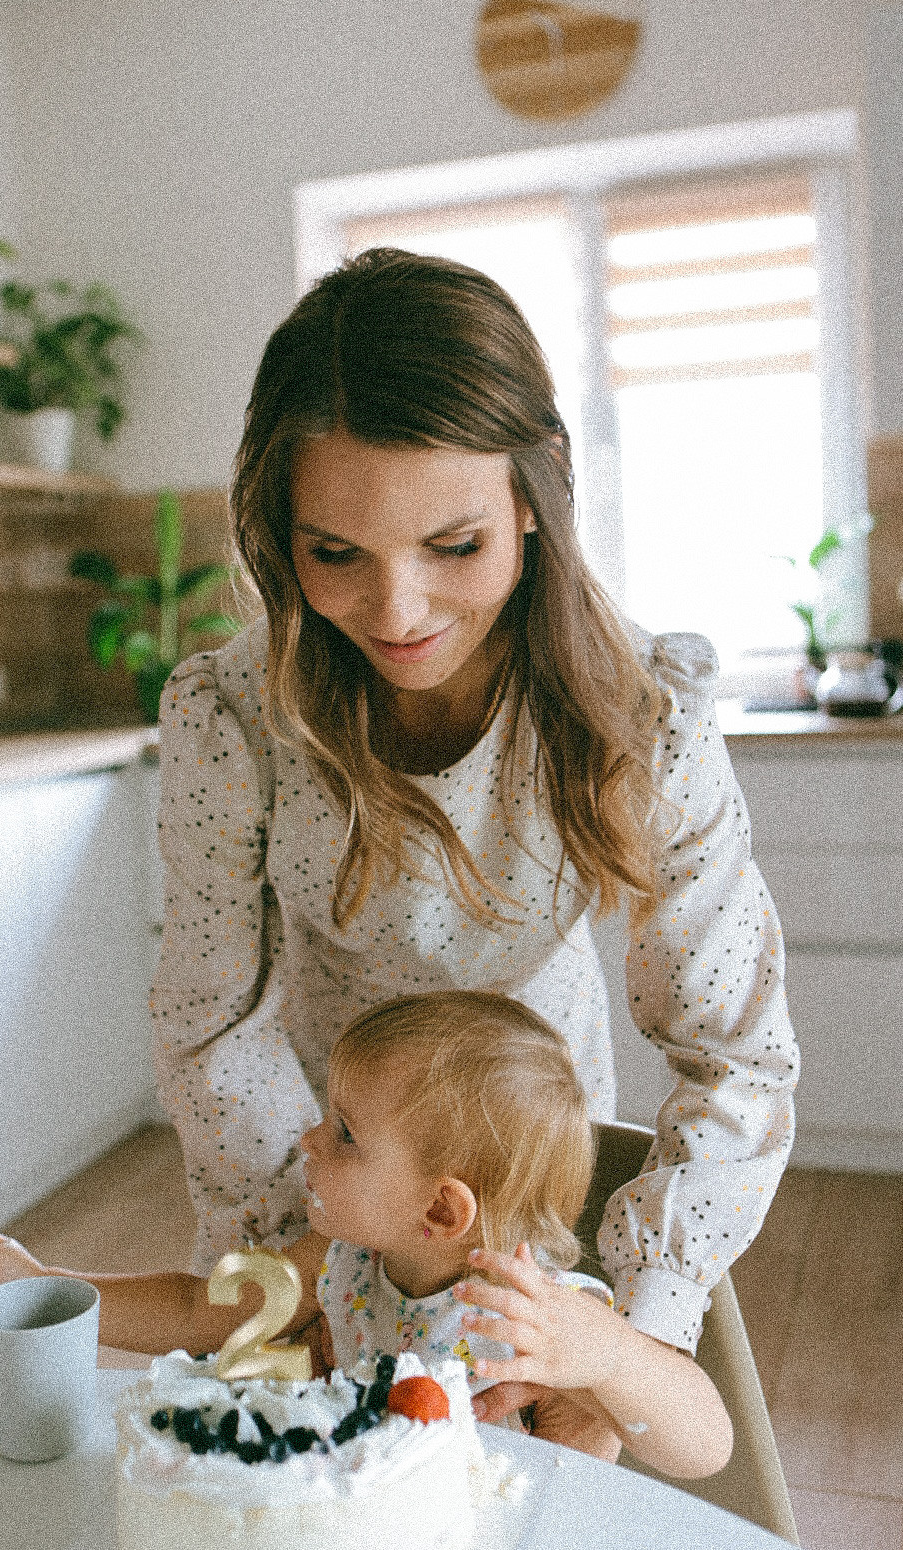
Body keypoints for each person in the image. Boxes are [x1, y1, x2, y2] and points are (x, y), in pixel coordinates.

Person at [151, 247, 798, 1379]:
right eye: (334, 553)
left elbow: (734, 1056)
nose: (397, 611)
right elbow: (214, 1028)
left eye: (455, 546)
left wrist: (627, 1339)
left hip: (532, 1181)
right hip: (323, 1173)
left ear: (539, 491)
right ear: (278, 529)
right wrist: (293, 1259)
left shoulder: (648, 715)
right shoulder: (232, 720)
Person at [0, 991, 733, 1480]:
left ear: (443, 1212)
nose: (309, 1141)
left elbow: (705, 1446)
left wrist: (611, 1355)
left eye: (344, 1132)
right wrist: (43, 1282)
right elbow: (203, 1311)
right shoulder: (345, 1262)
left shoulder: (534, 1322)